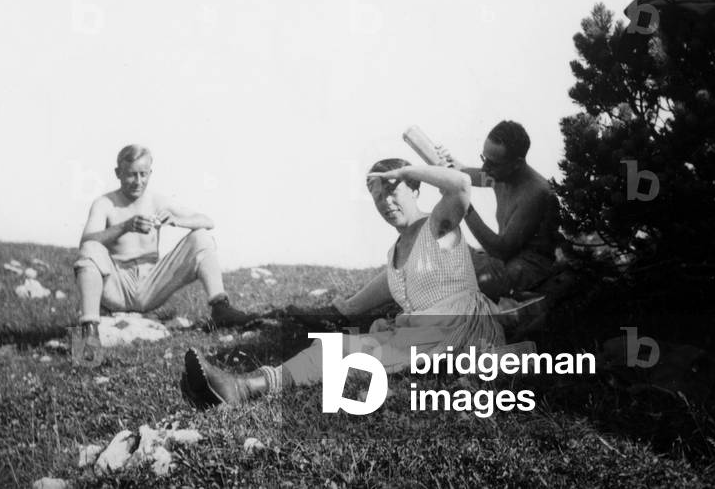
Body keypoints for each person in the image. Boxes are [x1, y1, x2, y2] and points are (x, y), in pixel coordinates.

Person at [182, 159, 504, 406]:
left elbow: (461, 184)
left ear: (415, 188)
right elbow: (360, 301)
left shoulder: (437, 224)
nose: (385, 202)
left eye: (393, 189)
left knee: (338, 352)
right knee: (335, 345)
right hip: (430, 336)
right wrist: (323, 312)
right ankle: (238, 385)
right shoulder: (395, 251)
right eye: (377, 196)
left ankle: (242, 388)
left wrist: (409, 169)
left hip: (462, 329)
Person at [73, 145, 253, 358]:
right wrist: (125, 226)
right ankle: (90, 333)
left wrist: (177, 220)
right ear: (118, 173)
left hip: (151, 285)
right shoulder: (105, 203)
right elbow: (87, 241)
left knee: (201, 237)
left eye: (143, 174)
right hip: (117, 285)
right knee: (91, 249)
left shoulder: (156, 200)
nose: (138, 181)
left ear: (150, 173)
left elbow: (207, 221)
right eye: (131, 175)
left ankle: (220, 308)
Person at [436, 120, 559, 301]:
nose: (485, 168)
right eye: (484, 158)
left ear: (516, 164)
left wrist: (463, 206)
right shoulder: (499, 175)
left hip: (529, 267)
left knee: (458, 285)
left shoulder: (535, 193)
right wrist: (446, 163)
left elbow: (501, 250)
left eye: (492, 163)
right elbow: (463, 175)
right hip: (504, 261)